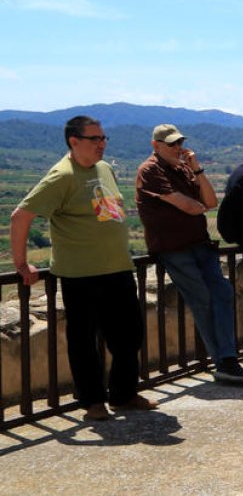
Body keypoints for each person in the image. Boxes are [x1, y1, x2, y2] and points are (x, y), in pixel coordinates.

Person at [10, 115, 157, 421]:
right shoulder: (61, 176)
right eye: (95, 139)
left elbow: (106, 213)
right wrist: (21, 263)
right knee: (84, 342)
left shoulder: (104, 169)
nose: (102, 144)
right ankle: (92, 402)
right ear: (73, 142)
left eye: (104, 139)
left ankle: (123, 394)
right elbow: (20, 216)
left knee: (129, 336)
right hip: (82, 275)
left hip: (117, 269)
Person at [135, 124, 243, 385]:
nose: (178, 148)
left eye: (180, 143)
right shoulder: (150, 170)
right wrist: (194, 206)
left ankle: (228, 358)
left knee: (222, 292)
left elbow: (209, 203)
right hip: (173, 248)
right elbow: (190, 207)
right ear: (155, 145)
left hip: (199, 244)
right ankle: (223, 361)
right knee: (201, 298)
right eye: (171, 144)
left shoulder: (184, 169)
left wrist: (197, 169)